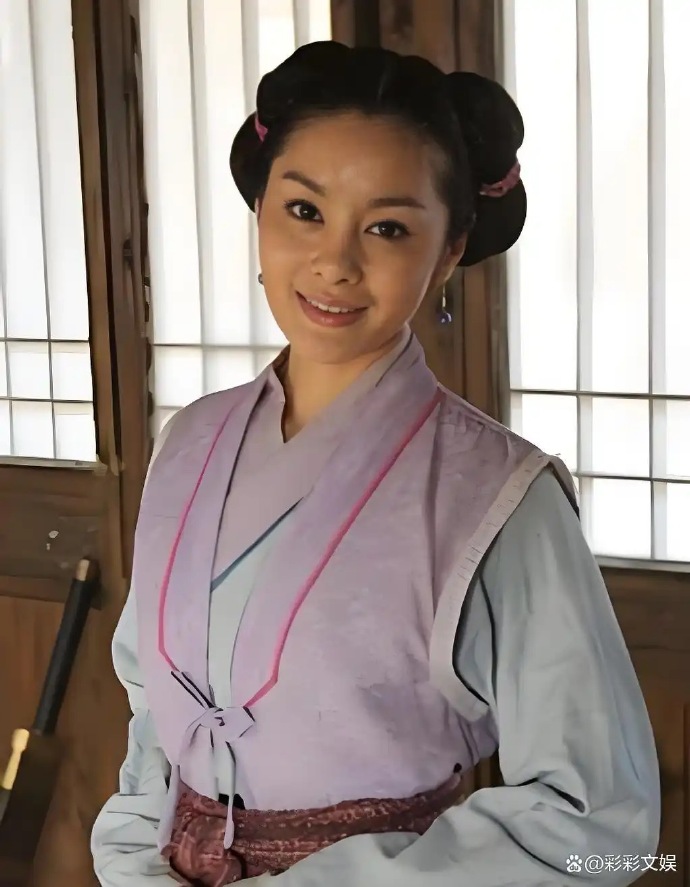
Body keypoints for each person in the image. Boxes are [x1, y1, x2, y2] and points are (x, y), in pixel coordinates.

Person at [91, 40, 660, 886]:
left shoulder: (499, 497)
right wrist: (137, 857)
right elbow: (155, 717)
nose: (335, 261)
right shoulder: (190, 443)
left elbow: (598, 820)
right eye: (304, 210)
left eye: (387, 227)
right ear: (260, 211)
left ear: (451, 248)